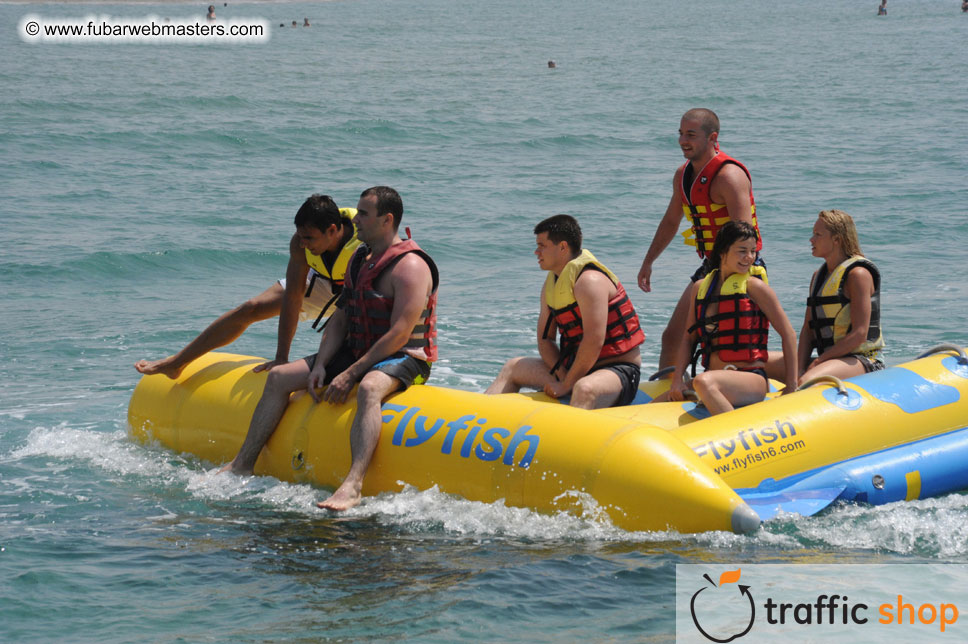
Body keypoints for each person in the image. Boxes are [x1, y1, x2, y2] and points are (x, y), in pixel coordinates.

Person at [221, 187, 439, 512]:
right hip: (360, 350)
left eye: (363, 213)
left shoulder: (411, 267)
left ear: (387, 219)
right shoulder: (359, 260)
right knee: (280, 377)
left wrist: (350, 374)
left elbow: (398, 334)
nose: (354, 218)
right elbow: (341, 316)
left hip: (405, 357)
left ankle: (353, 484)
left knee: (368, 388)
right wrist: (323, 363)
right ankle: (243, 463)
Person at [134, 195, 361, 379]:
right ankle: (176, 364)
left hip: (359, 293)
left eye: (309, 238)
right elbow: (293, 296)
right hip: (323, 281)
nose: (303, 243)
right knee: (251, 308)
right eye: (300, 236)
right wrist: (281, 357)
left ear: (332, 230)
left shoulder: (364, 241)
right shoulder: (300, 243)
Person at [637, 109, 765, 373]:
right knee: (672, 337)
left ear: (712, 137)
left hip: (740, 267)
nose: (683, 140)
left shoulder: (729, 176)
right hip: (711, 266)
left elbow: (745, 236)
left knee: (721, 344)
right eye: (681, 133)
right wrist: (649, 261)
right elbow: (671, 221)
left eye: (691, 134)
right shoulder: (683, 176)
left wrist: (728, 280)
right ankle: (667, 396)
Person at [485, 215, 645, 409]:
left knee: (584, 388)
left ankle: (565, 437)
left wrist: (567, 384)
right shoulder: (551, 286)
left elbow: (594, 341)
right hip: (573, 369)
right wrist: (563, 376)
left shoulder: (589, 282)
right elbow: (545, 340)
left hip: (617, 371)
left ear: (562, 247)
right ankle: (475, 423)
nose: (536, 252)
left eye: (542, 245)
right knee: (513, 367)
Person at [663, 221, 796, 415]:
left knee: (703, 382)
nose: (749, 258)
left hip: (749, 379)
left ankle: (739, 433)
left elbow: (789, 334)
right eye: (742, 251)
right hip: (714, 378)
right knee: (656, 405)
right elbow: (688, 338)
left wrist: (792, 386)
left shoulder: (755, 288)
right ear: (723, 251)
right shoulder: (700, 288)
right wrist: (677, 381)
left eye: (753, 251)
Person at [798, 210, 884, 384]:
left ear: (837, 240)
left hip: (863, 360)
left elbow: (860, 334)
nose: (811, 240)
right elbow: (808, 331)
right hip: (830, 360)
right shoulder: (818, 277)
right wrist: (797, 369)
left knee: (807, 381)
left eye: (818, 234)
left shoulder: (858, 275)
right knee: (764, 363)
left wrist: (818, 361)